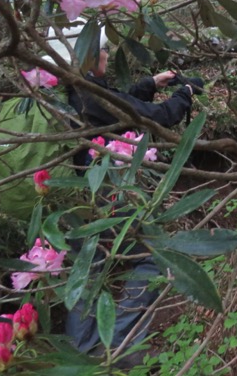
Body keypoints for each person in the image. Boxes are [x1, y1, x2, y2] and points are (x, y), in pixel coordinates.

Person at [44, 22, 203, 363]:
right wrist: (184, 94)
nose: (106, 53)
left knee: (87, 265)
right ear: (85, 57)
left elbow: (118, 109)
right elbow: (154, 117)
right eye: (100, 49)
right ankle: (121, 347)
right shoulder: (89, 94)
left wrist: (150, 84)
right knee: (151, 255)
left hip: (70, 197)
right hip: (106, 191)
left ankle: (82, 352)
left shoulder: (68, 94)